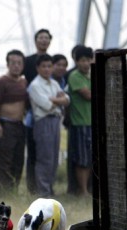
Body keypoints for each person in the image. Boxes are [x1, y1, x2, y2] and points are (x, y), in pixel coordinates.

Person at [28, 54, 70, 197]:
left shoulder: (54, 83)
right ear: (38, 68)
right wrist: (59, 100)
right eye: (43, 66)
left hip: (55, 121)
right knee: (44, 157)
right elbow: (47, 105)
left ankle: (50, 189)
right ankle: (43, 192)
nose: (47, 69)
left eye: (49, 66)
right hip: (43, 122)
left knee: (53, 157)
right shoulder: (34, 85)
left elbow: (67, 100)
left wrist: (56, 100)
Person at [0, 49, 28, 197]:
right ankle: (4, 192)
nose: (16, 66)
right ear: (7, 64)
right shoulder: (1, 82)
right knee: (4, 160)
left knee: (18, 159)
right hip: (5, 125)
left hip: (20, 125)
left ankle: (14, 189)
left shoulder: (24, 82)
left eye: (19, 63)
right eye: (13, 63)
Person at [23, 29, 53, 195]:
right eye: (40, 38)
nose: (43, 40)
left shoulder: (52, 60)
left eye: (46, 38)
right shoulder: (27, 61)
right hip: (32, 111)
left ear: (50, 41)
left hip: (50, 112)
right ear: (35, 41)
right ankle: (32, 187)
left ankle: (46, 186)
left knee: (48, 153)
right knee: (33, 151)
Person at [68, 46, 93, 197]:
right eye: (82, 60)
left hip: (91, 122)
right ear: (77, 61)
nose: (86, 63)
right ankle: (82, 190)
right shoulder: (75, 76)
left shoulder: (90, 76)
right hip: (80, 123)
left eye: (88, 60)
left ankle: (87, 190)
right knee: (82, 159)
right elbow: (88, 95)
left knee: (89, 158)